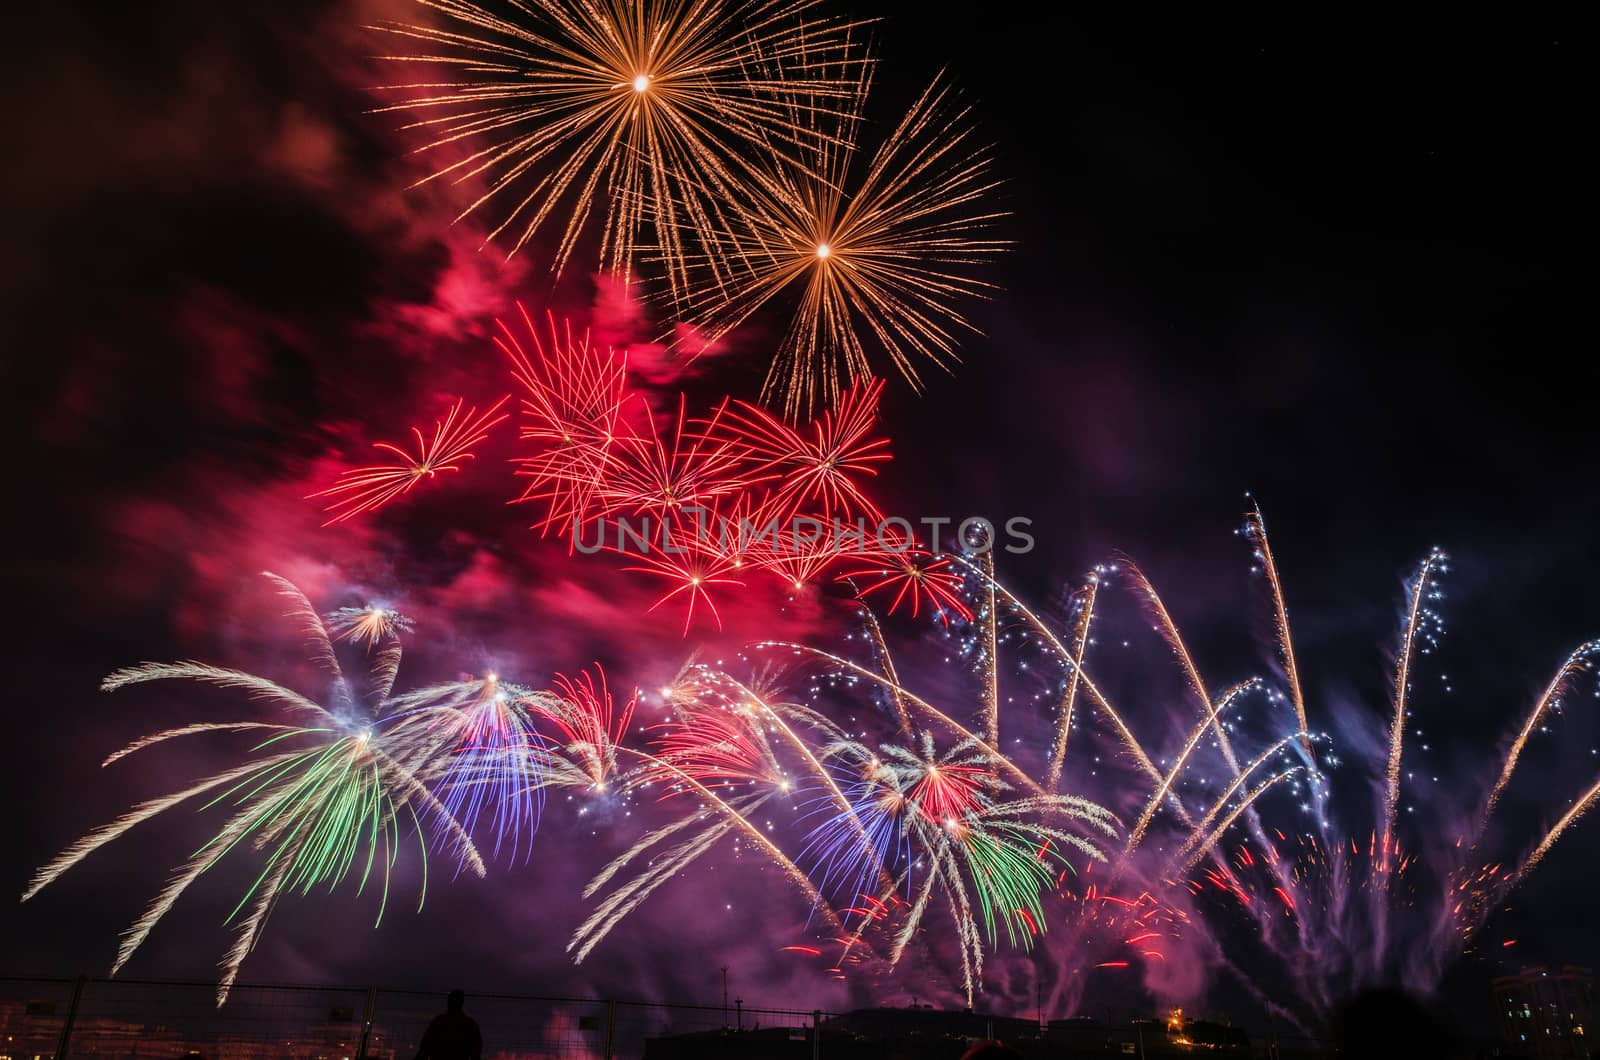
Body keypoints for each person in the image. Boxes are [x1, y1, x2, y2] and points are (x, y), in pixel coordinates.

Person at [414, 989, 483, 1060]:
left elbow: (425, 1049)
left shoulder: (438, 1022)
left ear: (448, 1002)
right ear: (462, 1003)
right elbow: (476, 1053)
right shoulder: (469, 1024)